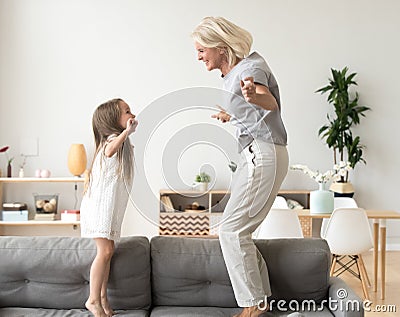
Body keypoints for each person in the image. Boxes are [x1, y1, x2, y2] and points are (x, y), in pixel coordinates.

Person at [192, 17, 289, 317]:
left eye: (201, 49)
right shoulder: (235, 72)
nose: (198, 56)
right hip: (257, 153)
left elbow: (267, 101)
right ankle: (260, 301)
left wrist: (253, 94)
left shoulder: (249, 70)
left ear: (221, 47)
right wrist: (230, 116)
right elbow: (253, 114)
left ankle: (252, 306)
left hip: (262, 154)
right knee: (238, 232)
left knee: (231, 231)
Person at [80, 98, 138, 317]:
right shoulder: (111, 141)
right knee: (104, 251)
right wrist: (127, 133)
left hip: (108, 209)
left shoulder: (119, 142)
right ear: (113, 121)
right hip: (98, 209)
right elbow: (110, 151)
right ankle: (93, 299)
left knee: (108, 251)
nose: (131, 114)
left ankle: (103, 298)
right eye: (127, 111)